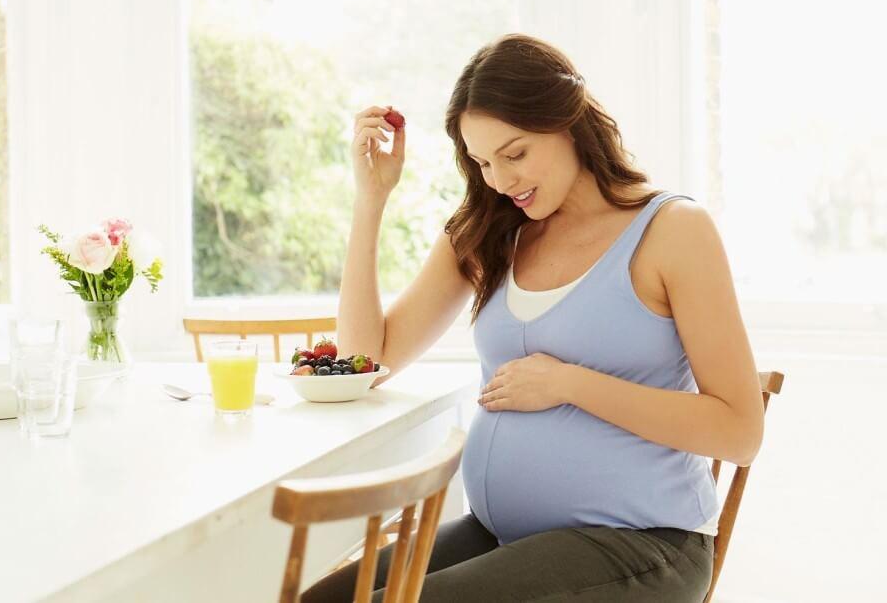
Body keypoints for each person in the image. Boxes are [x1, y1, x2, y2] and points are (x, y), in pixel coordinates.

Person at [305, 33, 765, 602]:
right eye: (482, 163)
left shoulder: (672, 231)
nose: (500, 181)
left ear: (567, 122)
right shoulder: (489, 233)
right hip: (505, 535)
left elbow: (740, 433)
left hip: (641, 544)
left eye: (515, 154)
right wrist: (370, 199)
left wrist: (569, 384)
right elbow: (365, 361)